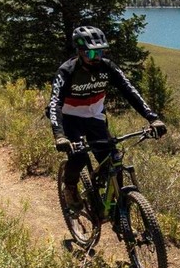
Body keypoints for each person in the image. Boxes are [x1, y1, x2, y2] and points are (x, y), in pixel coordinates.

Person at [45, 25, 167, 208]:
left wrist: (152, 118)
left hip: (95, 117)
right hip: (71, 119)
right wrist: (60, 136)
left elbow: (129, 91)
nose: (97, 57)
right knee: (78, 157)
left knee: (113, 160)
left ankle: (117, 208)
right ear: (79, 52)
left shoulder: (107, 67)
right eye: (91, 53)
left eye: (100, 52)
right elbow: (55, 103)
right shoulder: (67, 71)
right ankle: (69, 187)